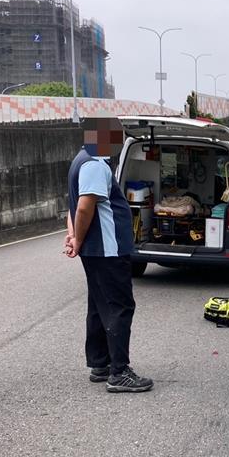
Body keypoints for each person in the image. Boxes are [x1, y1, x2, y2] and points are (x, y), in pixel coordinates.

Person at [64, 145, 153, 393]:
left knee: (99, 305)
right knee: (119, 307)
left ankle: (101, 364)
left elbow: (72, 206)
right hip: (107, 249)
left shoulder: (80, 160)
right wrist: (78, 240)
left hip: (98, 250)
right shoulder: (93, 163)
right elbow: (83, 206)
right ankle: (120, 372)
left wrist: (73, 235)